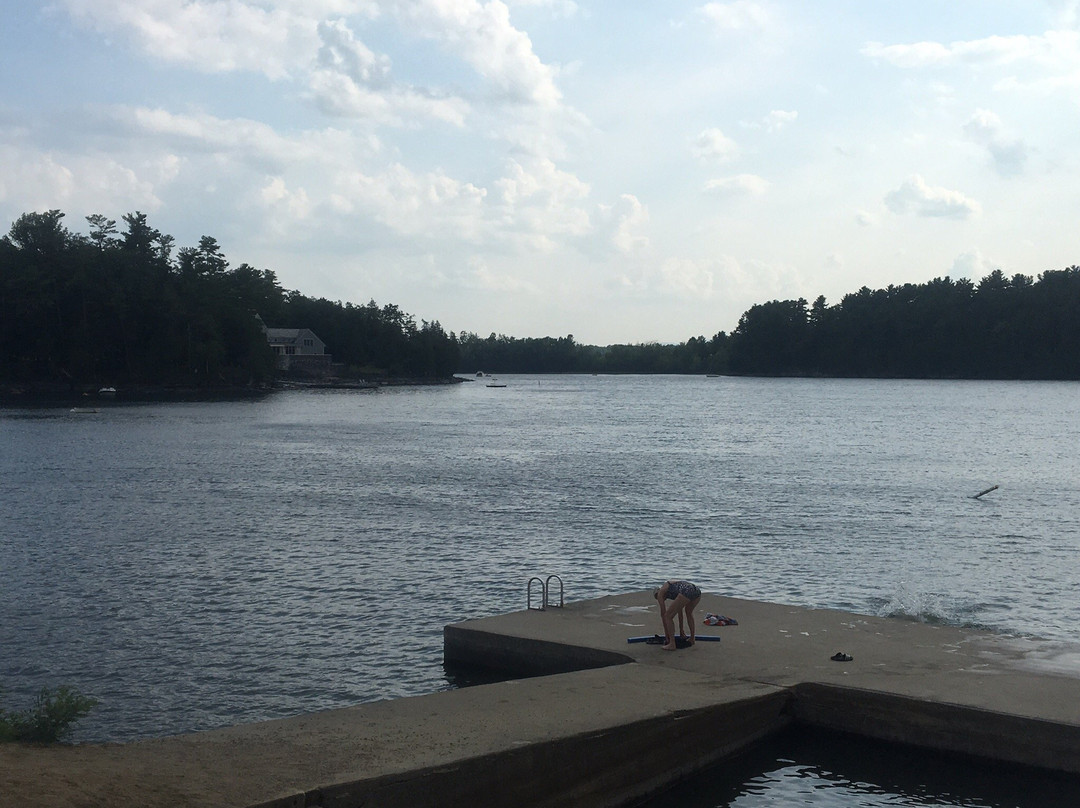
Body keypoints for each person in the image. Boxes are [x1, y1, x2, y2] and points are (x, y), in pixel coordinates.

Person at [653, 580, 701, 651]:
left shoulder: (660, 592)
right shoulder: (673, 590)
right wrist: (681, 631)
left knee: (668, 616)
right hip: (696, 590)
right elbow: (679, 612)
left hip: (686, 590)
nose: (664, 599)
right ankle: (692, 639)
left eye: (658, 598)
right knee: (689, 613)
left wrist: (667, 636)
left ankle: (672, 644)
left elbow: (663, 614)